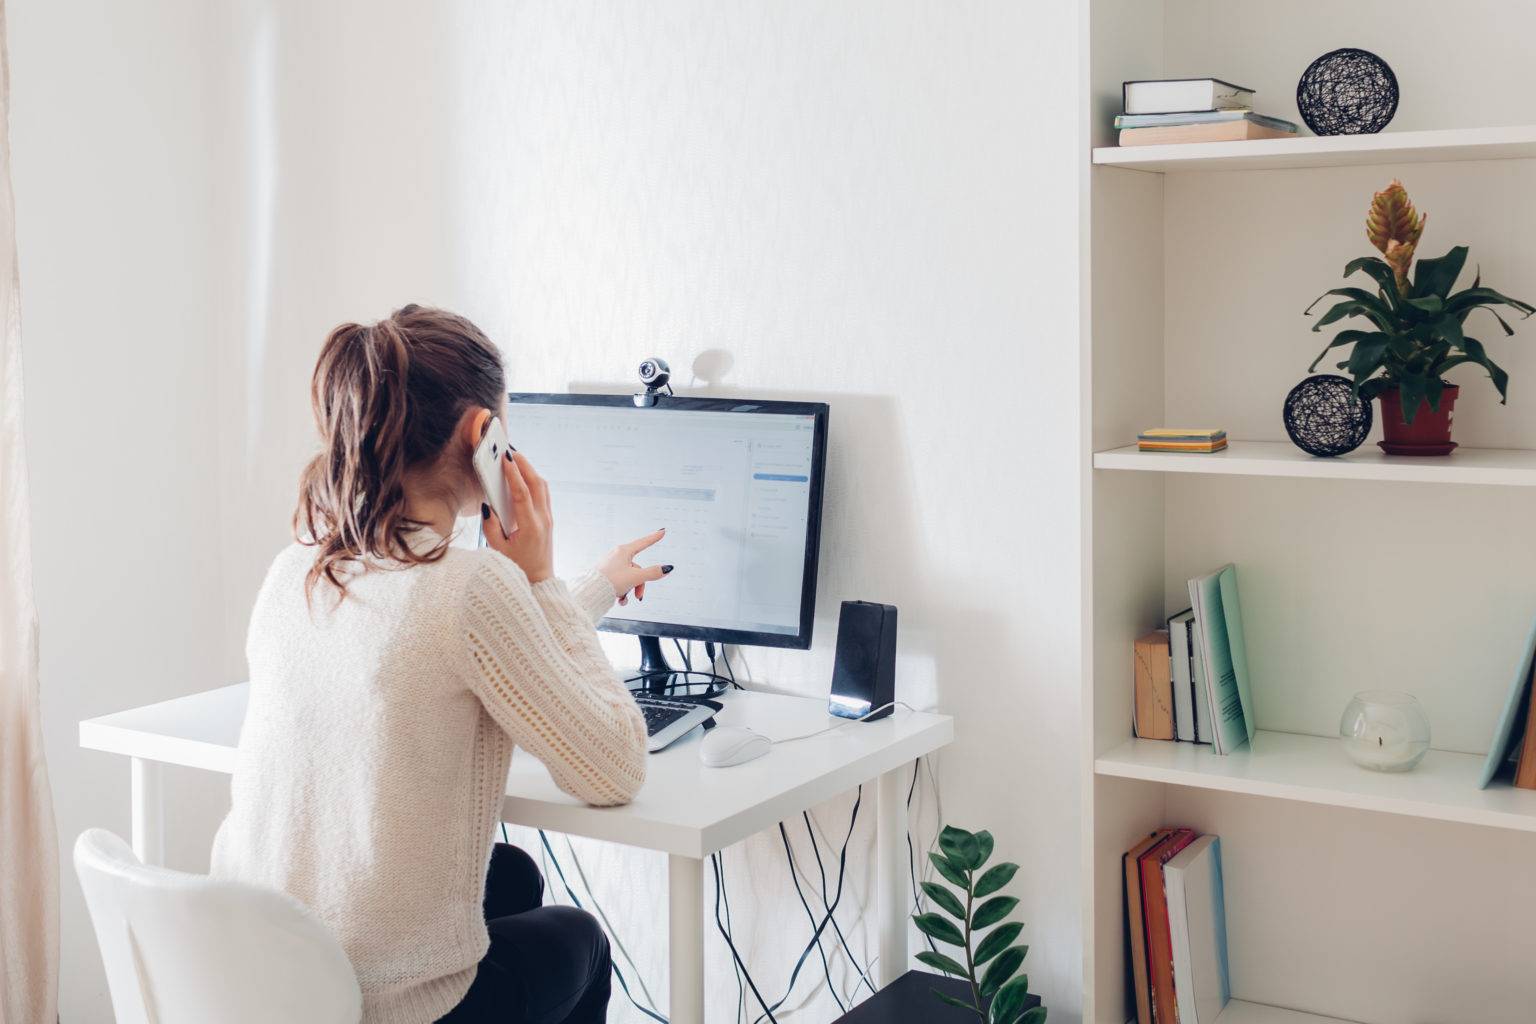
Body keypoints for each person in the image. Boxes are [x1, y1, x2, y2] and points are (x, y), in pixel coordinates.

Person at [211, 305, 669, 1024]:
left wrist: (596, 587)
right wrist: (540, 580)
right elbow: (614, 768)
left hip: (269, 983)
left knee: (510, 876)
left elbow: (486, 649)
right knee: (580, 941)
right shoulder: (471, 587)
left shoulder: (297, 567)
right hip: (383, 1006)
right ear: (483, 434)